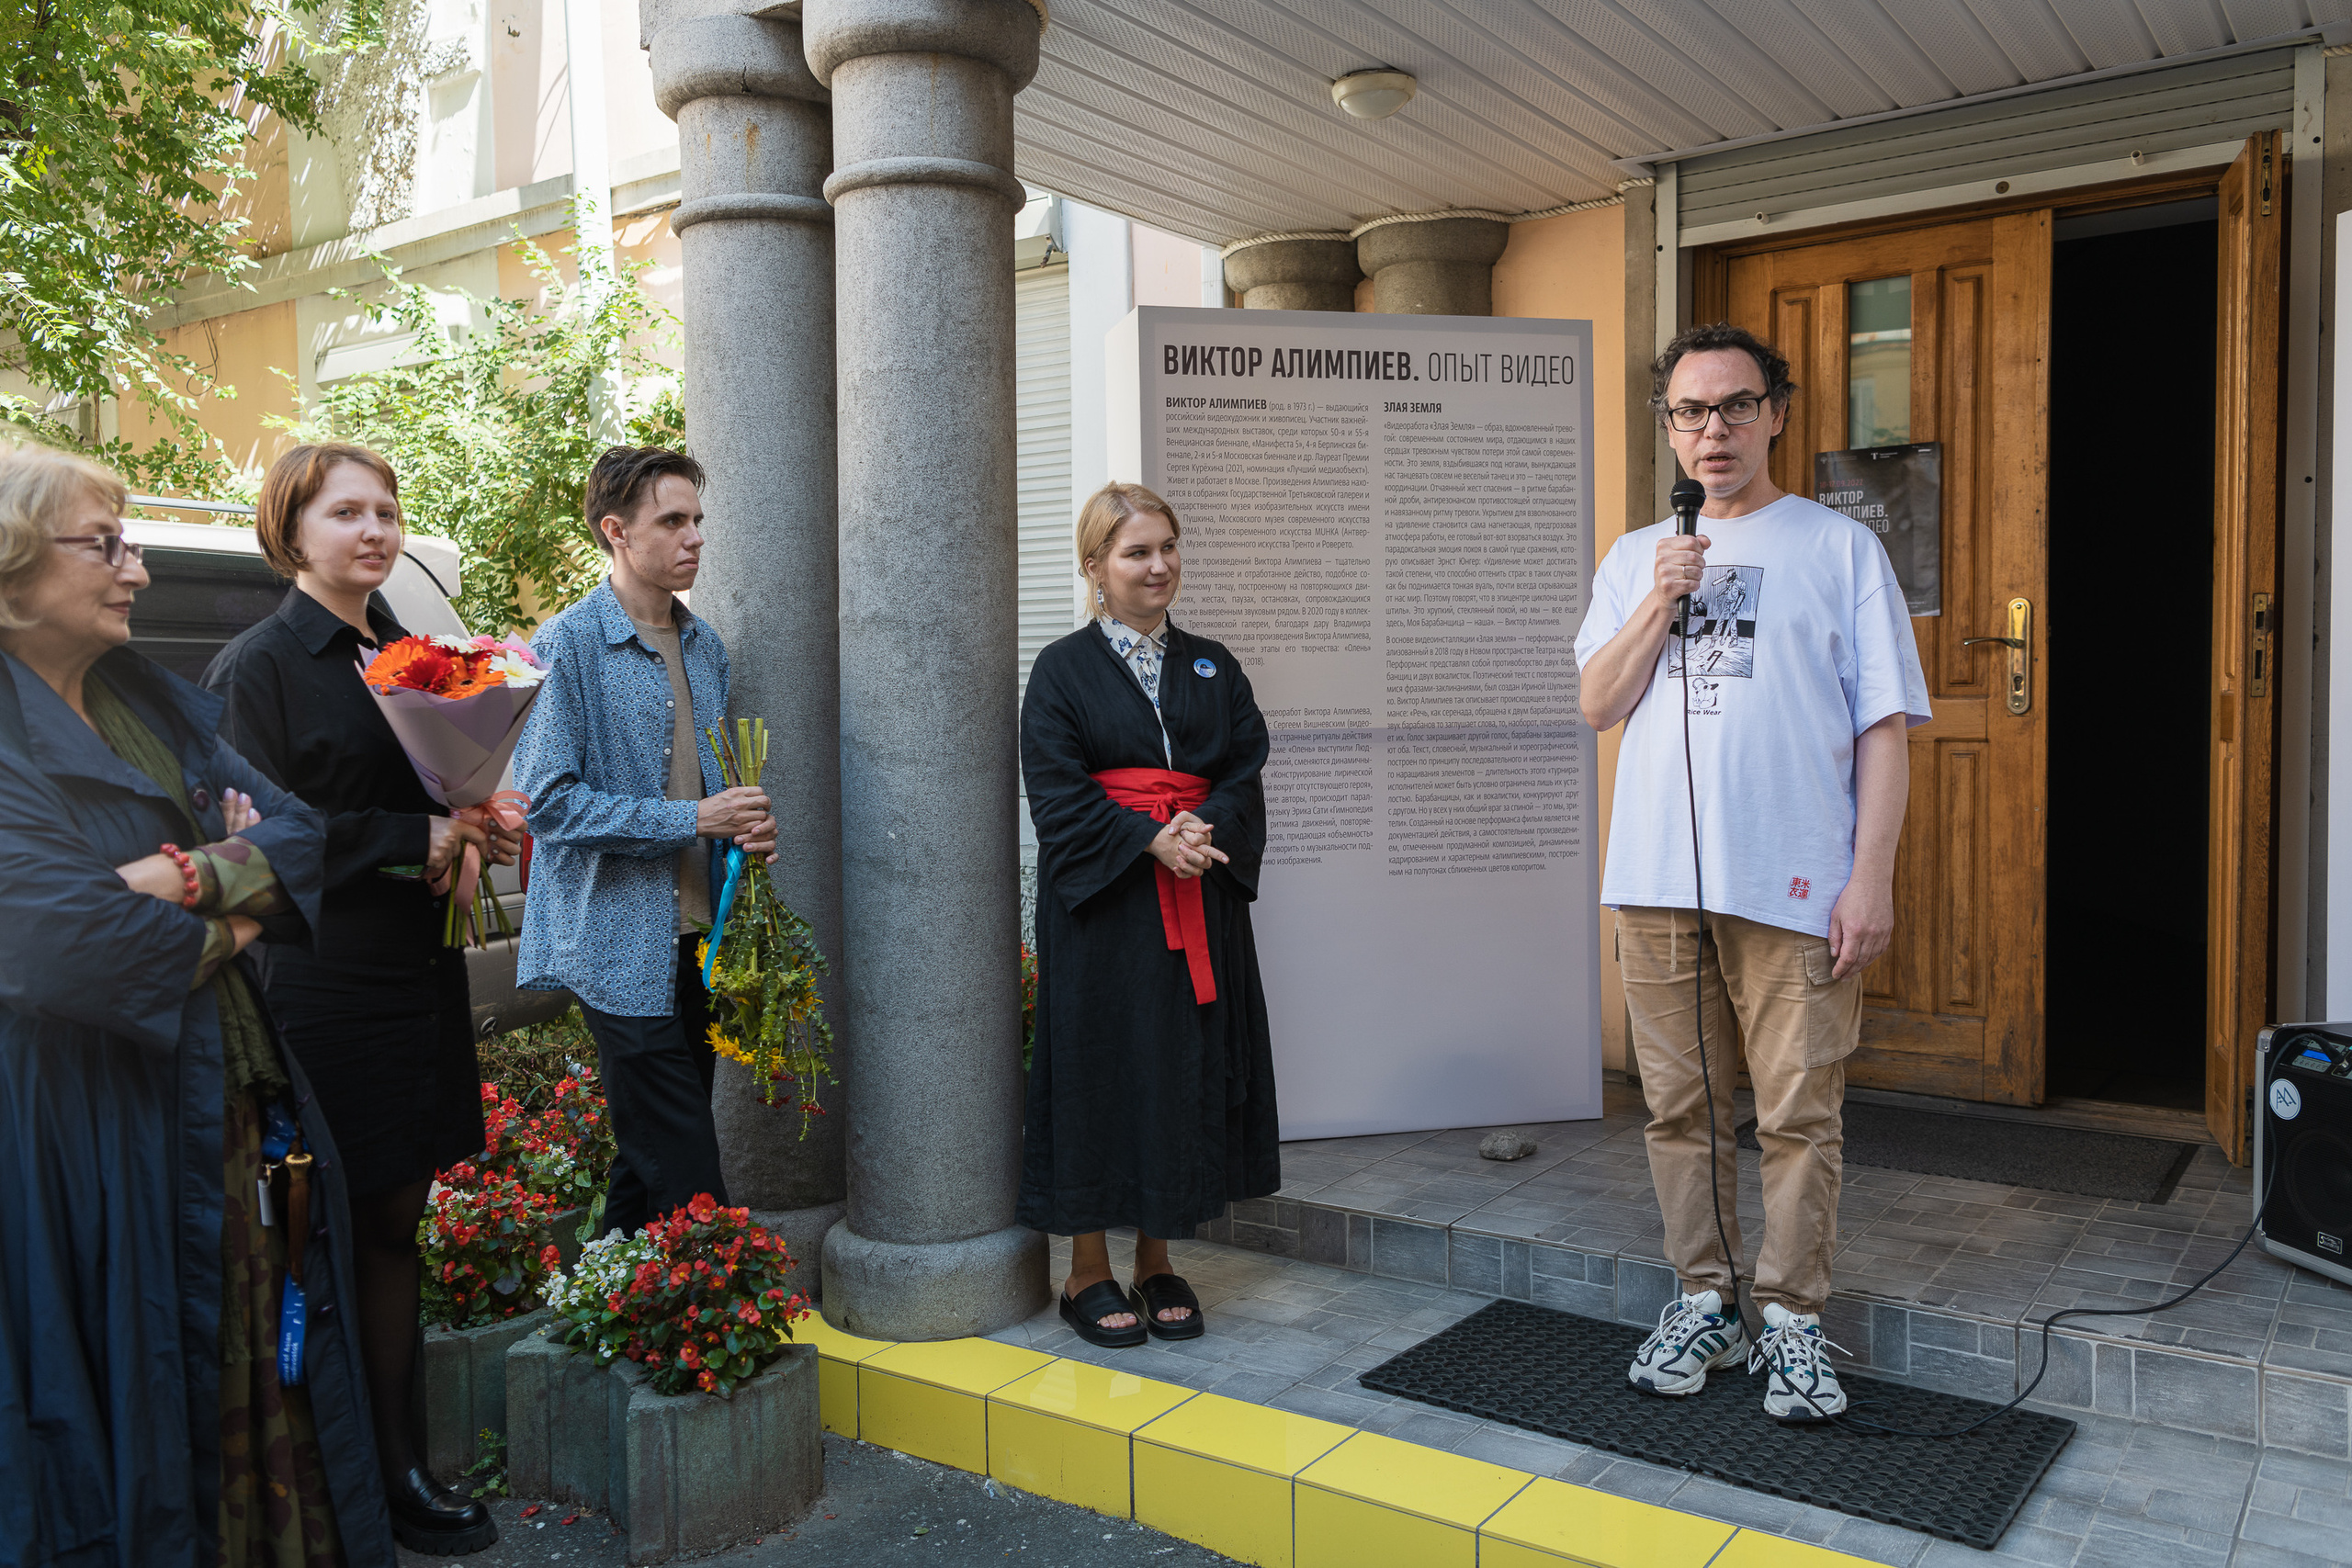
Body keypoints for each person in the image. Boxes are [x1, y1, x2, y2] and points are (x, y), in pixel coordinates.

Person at [0, 443, 393, 1565]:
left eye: (130, 542)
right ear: (13, 571)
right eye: (105, 545)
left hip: (224, 1109)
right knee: (139, 1405)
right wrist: (231, 886)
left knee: (261, 1380)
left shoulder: (149, 704)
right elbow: (68, 942)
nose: (136, 570)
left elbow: (298, 832)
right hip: (92, 1139)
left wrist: (174, 889)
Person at [1573, 323, 1930, 1422]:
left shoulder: (1837, 547)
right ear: (1668, 426)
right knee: (1676, 1108)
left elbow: (1884, 728)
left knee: (1795, 1112)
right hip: (1653, 881)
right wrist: (1657, 599)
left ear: (1776, 411)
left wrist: (1866, 881)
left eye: (1734, 406)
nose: (1711, 430)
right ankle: (1702, 1299)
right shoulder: (1638, 556)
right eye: (1689, 411)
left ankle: (1790, 1320)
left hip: (1792, 882)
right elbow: (1597, 704)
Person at [204, 443, 514, 1554]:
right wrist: (409, 835)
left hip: (415, 969)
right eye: (347, 513)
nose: (374, 530)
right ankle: (326, 1481)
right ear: (292, 532)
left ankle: (400, 1470)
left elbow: (443, 788)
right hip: (321, 980)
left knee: (399, 1221)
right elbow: (248, 836)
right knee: (320, 1234)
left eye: (386, 511)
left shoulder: (412, 654)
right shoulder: (260, 664)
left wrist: (480, 818)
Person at [1018, 481, 1282, 1348]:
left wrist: (1203, 829)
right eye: (1137, 552)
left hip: (1197, 887)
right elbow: (1054, 789)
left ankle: (1159, 1257)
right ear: (1096, 567)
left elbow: (1246, 762)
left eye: (1167, 546)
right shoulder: (1062, 668)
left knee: (1181, 1064)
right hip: (1106, 906)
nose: (1158, 565)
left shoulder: (1212, 662)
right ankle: (1087, 1268)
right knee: (1099, 1067)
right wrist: (1144, 839)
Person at [513, 447, 775, 1241]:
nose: (694, 537)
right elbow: (547, 805)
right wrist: (693, 820)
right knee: (689, 1159)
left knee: (653, 1148)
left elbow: (708, 785)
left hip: (701, 938)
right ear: (616, 531)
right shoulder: (568, 644)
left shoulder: (706, 646)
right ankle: (726, 1321)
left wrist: (746, 827)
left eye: (697, 519)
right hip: (614, 939)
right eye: (673, 521)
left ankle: (589, 1315)